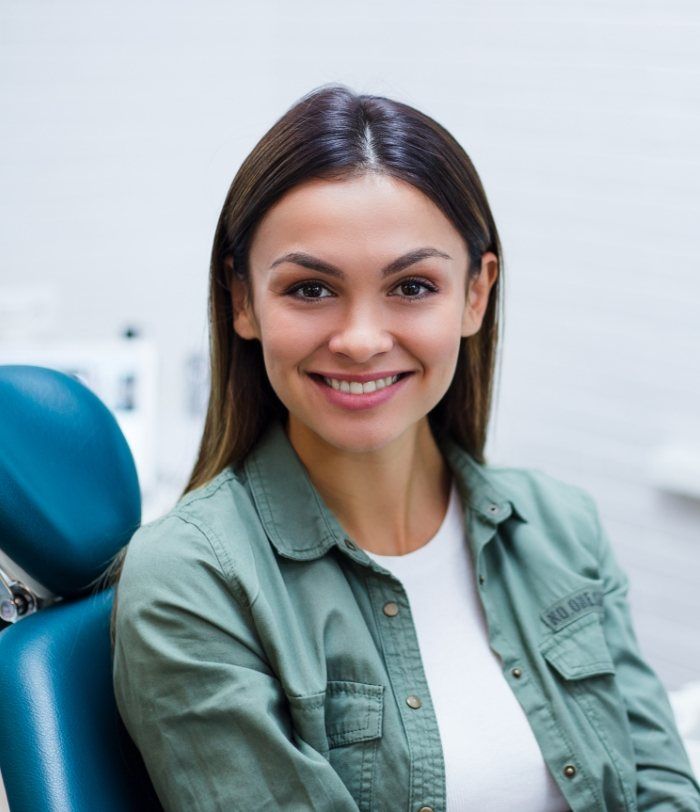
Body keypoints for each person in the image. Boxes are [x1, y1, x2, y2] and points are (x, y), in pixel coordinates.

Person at [107, 83, 700, 811]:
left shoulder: (560, 525)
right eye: (311, 290)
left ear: (475, 295)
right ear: (242, 301)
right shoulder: (191, 581)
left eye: (413, 286)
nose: (360, 339)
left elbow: (663, 790)